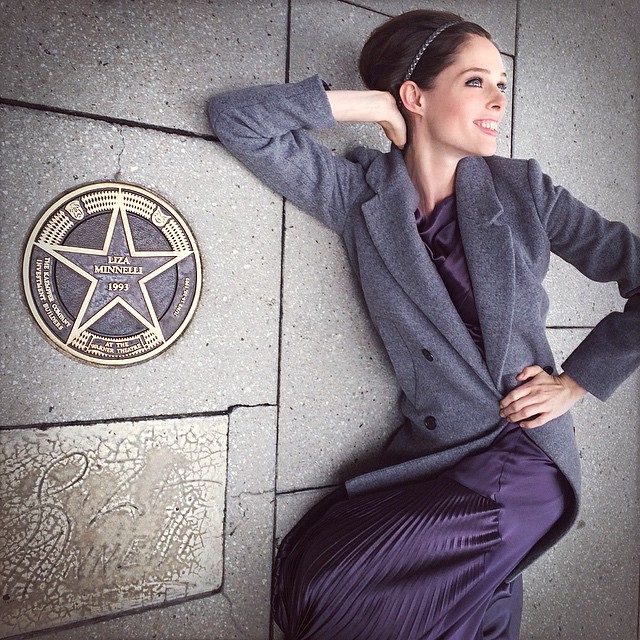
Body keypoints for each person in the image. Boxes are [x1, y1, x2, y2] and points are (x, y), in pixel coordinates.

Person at [208, 9, 640, 640]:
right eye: (476, 82)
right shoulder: (359, 196)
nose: (497, 100)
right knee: (466, 616)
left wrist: (575, 381)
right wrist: (372, 107)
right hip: (436, 456)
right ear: (415, 95)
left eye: (501, 83)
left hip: (523, 456)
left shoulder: (526, 192)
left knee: (328, 588)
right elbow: (238, 121)